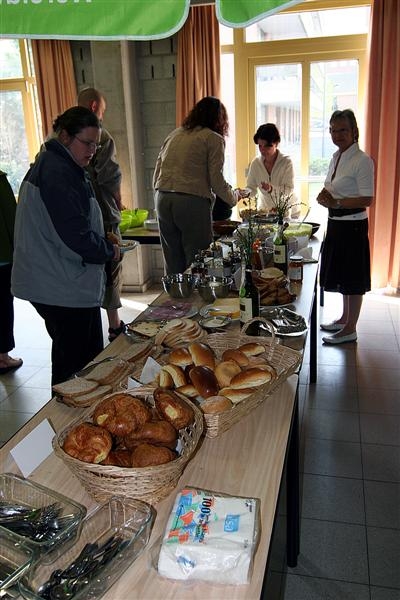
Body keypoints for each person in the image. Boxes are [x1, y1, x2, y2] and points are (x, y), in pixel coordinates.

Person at [11, 106, 120, 385]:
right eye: (87, 143)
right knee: (77, 367)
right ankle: (72, 411)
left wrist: (101, 241)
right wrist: (108, 250)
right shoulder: (57, 172)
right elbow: (75, 236)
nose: (92, 151)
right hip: (59, 283)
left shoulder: (61, 165)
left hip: (58, 278)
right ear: (64, 136)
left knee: (79, 358)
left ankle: (78, 407)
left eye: (96, 145)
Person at [153, 96, 242, 274]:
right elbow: (216, 180)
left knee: (172, 261)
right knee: (198, 261)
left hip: (162, 198)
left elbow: (157, 171)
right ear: (219, 119)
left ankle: (175, 292)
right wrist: (234, 197)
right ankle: (196, 293)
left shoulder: (175, 134)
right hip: (190, 201)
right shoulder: (213, 138)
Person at [317, 109, 374, 345]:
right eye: (333, 130)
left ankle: (351, 328)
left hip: (353, 226)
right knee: (343, 274)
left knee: (353, 277)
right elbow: (334, 188)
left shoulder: (362, 160)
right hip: (336, 224)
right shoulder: (336, 157)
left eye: (342, 130)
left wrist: (337, 203)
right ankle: (344, 319)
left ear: (354, 132)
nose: (337, 135)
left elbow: (367, 198)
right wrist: (325, 196)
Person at [77, 87, 125, 342]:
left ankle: (93, 324)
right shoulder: (101, 136)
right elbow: (109, 176)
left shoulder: (58, 137)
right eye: (103, 111)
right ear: (94, 107)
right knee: (112, 264)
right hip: (103, 214)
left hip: (78, 216)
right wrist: (118, 199)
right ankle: (114, 324)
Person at [246, 123, 299, 217]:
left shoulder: (286, 162)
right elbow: (251, 188)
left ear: (276, 143)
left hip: (287, 212)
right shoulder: (256, 163)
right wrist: (243, 193)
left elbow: (289, 189)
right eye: (260, 146)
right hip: (265, 212)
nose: (263, 150)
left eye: (267, 146)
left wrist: (271, 189)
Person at [0, 170, 23, 375]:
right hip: (2, 257)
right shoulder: (0, 181)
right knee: (3, 307)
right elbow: (12, 220)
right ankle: (3, 357)